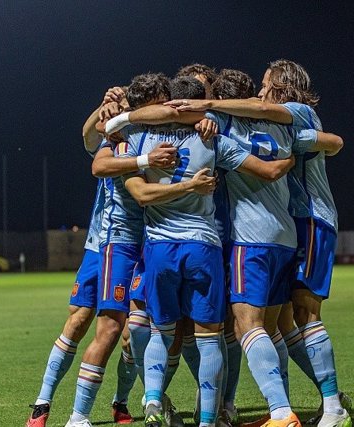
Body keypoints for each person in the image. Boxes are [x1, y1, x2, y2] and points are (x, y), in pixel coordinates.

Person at [169, 59, 351, 427]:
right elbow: (328, 142)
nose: (260, 92)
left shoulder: (292, 112)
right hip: (289, 224)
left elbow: (314, 137)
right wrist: (326, 142)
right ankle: (299, 405)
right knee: (282, 321)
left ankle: (327, 406)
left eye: (267, 85)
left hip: (309, 219)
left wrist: (207, 108)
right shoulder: (279, 125)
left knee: (296, 315)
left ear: (282, 88)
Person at [113, 74, 298, 427]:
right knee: (211, 338)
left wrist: (125, 121)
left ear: (170, 101)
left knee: (160, 331)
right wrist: (291, 159)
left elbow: (128, 180)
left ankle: (152, 400)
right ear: (198, 103)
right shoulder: (214, 139)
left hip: (160, 248)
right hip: (203, 247)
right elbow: (269, 170)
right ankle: (210, 420)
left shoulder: (140, 137)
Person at [25, 104, 174, 427]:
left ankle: (121, 401)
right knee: (80, 321)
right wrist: (100, 108)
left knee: (129, 332)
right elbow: (88, 139)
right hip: (102, 246)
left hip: (135, 245)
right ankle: (43, 402)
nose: (108, 119)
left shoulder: (142, 139)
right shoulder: (110, 145)